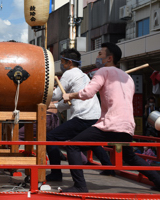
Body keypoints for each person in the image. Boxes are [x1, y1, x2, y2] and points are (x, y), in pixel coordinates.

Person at [62, 42, 160, 193]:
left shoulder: (103, 72)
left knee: (73, 146)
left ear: (109, 58)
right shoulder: (127, 77)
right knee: (130, 157)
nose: (97, 57)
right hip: (127, 125)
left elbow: (87, 93)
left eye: (100, 54)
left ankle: (80, 186)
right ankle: (159, 181)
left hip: (111, 123)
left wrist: (70, 95)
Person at [46, 48, 114, 182]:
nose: (62, 64)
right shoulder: (83, 75)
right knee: (91, 140)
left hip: (83, 115)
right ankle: (108, 167)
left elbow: (56, 95)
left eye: (63, 61)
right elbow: (69, 100)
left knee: (51, 137)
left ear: (69, 62)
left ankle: (56, 173)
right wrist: (55, 106)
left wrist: (48, 91)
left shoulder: (69, 73)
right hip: (94, 114)